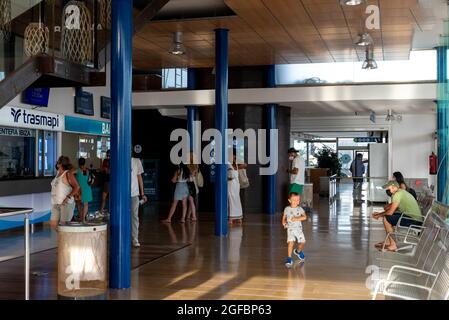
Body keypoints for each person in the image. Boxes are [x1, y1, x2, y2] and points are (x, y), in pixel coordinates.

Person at [372, 181, 423, 251]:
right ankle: (389, 241)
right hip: (415, 218)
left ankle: (393, 245)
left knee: (386, 219)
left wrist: (379, 215)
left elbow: (390, 212)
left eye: (389, 188)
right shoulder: (401, 192)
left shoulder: (398, 194)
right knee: (390, 217)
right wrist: (380, 214)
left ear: (393, 187)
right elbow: (392, 209)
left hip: (414, 221)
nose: (388, 190)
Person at [50, 156, 80, 230]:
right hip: (56, 203)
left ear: (60, 164)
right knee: (53, 224)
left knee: (64, 226)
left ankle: (67, 239)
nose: (56, 163)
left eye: (58, 162)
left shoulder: (67, 173)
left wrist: (67, 198)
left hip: (66, 204)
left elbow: (77, 187)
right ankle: (63, 238)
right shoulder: (58, 174)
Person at [282, 192, 307, 268]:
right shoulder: (287, 209)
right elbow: (284, 217)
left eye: (298, 200)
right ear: (289, 200)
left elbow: (305, 217)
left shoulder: (300, 209)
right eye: (294, 200)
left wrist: (296, 218)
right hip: (290, 229)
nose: (297, 201)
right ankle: (289, 258)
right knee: (290, 243)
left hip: (298, 229)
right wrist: (284, 223)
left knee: (302, 242)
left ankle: (298, 251)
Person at [131, 155, 147, 248]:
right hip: (122, 195)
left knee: (134, 217)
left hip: (134, 193)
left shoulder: (136, 161)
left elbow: (139, 177)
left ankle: (135, 238)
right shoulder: (120, 159)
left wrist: (142, 193)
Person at [228, 153, 244, 224]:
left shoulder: (228, 163)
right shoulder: (236, 165)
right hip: (236, 185)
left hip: (231, 184)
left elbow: (230, 175)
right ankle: (239, 218)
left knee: (231, 200)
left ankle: (231, 218)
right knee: (237, 200)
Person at [75, 157, 93, 222]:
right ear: (84, 163)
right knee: (86, 204)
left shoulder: (77, 170)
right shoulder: (88, 170)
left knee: (78, 204)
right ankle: (83, 219)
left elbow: (70, 173)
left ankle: (81, 216)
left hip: (79, 189)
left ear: (78, 163)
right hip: (87, 189)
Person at [99, 150, 110, 214]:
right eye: (107, 155)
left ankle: (106, 211)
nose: (108, 156)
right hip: (105, 181)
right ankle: (101, 211)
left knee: (105, 198)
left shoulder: (114, 160)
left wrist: (107, 170)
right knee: (103, 198)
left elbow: (108, 171)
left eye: (109, 155)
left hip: (109, 182)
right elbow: (102, 169)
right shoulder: (105, 161)